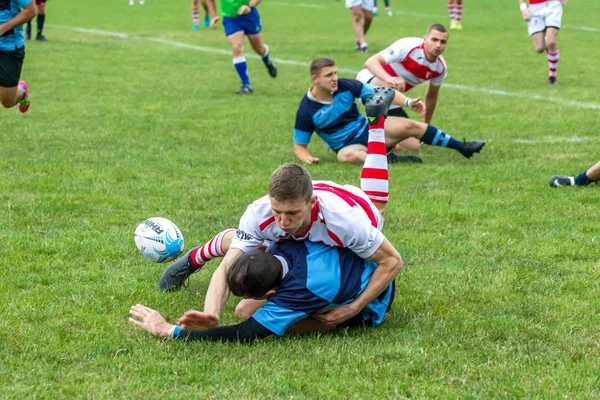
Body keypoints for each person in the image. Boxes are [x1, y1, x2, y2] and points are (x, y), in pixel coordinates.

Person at [159, 88, 402, 331]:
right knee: (245, 249)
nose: (283, 222)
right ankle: (196, 256)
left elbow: (392, 262)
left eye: (292, 214)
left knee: (377, 208)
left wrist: (354, 307)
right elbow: (228, 266)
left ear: (311, 204)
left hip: (352, 203)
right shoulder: (260, 213)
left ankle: (376, 124)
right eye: (278, 212)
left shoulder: (346, 222)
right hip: (308, 210)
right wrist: (210, 313)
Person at [131, 240, 396, 343]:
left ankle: (353, 316)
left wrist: (170, 331)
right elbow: (232, 239)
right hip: (347, 267)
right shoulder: (278, 242)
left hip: (376, 292)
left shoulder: (301, 290)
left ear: (272, 292)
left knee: (307, 323)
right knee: (243, 309)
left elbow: (244, 334)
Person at [294, 57, 485, 165]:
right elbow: (299, 146)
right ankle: (390, 158)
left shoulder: (346, 86)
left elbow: (385, 93)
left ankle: (462, 147)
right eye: (329, 75)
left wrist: (409, 102)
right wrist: (307, 158)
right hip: (349, 146)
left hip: (370, 131)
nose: (335, 78)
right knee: (346, 157)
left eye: (335, 73)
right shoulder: (306, 110)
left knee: (410, 126)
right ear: (315, 79)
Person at [359, 24, 450, 152]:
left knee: (413, 145)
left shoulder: (440, 68)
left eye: (443, 42)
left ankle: (367, 137)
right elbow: (370, 62)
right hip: (369, 81)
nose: (438, 45)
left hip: (393, 99)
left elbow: (432, 96)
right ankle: (354, 131)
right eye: (434, 40)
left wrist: (426, 126)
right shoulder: (408, 46)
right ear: (425, 38)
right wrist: (389, 78)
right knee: (388, 88)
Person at [203, 0, 277, 94]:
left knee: (259, 49)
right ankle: (246, 85)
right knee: (236, 47)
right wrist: (214, 16)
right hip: (230, 19)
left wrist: (249, 6)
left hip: (249, 16)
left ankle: (267, 61)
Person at [519, 0, 567, 85]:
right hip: (534, 8)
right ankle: (547, 37)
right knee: (539, 48)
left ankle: (552, 77)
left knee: (551, 42)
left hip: (553, 5)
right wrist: (523, 8)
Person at [0, 0, 36, 113]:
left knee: (7, 101)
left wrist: (2, 28)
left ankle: (22, 91)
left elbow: (31, 11)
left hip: (8, 48)